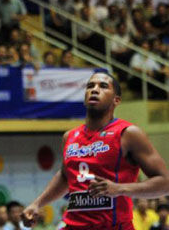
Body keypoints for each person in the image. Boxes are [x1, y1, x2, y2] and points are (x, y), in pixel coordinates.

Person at [22, 69, 169, 230]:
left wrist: (120, 189)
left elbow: (165, 183)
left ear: (116, 100)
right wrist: (37, 204)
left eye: (103, 86)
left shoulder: (128, 133)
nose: (94, 89)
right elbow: (65, 176)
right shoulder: (70, 136)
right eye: (90, 86)